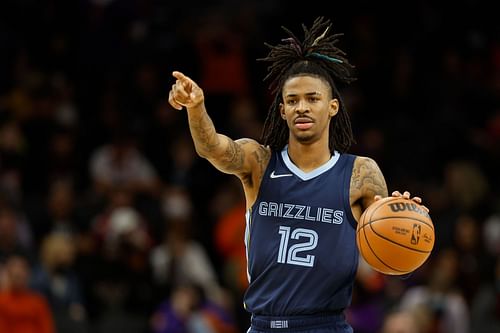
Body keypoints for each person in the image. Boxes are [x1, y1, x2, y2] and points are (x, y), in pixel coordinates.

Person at [168, 16, 427, 333]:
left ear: (332, 107)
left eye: (312, 98)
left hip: (327, 325)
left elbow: (384, 255)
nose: (301, 107)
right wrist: (197, 108)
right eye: (292, 100)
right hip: (264, 325)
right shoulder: (259, 162)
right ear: (282, 111)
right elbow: (213, 148)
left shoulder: (360, 172)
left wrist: (402, 216)